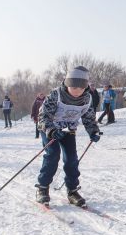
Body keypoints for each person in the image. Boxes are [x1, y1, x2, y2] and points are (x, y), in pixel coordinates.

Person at [35, 66, 101, 207]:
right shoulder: (56, 95)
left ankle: (72, 190)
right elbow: (43, 116)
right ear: (67, 84)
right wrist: (51, 130)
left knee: (71, 159)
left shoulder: (87, 99)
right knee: (53, 155)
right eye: (74, 88)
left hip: (68, 130)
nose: (77, 92)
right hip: (50, 129)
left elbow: (89, 118)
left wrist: (93, 131)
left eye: (81, 89)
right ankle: (42, 188)